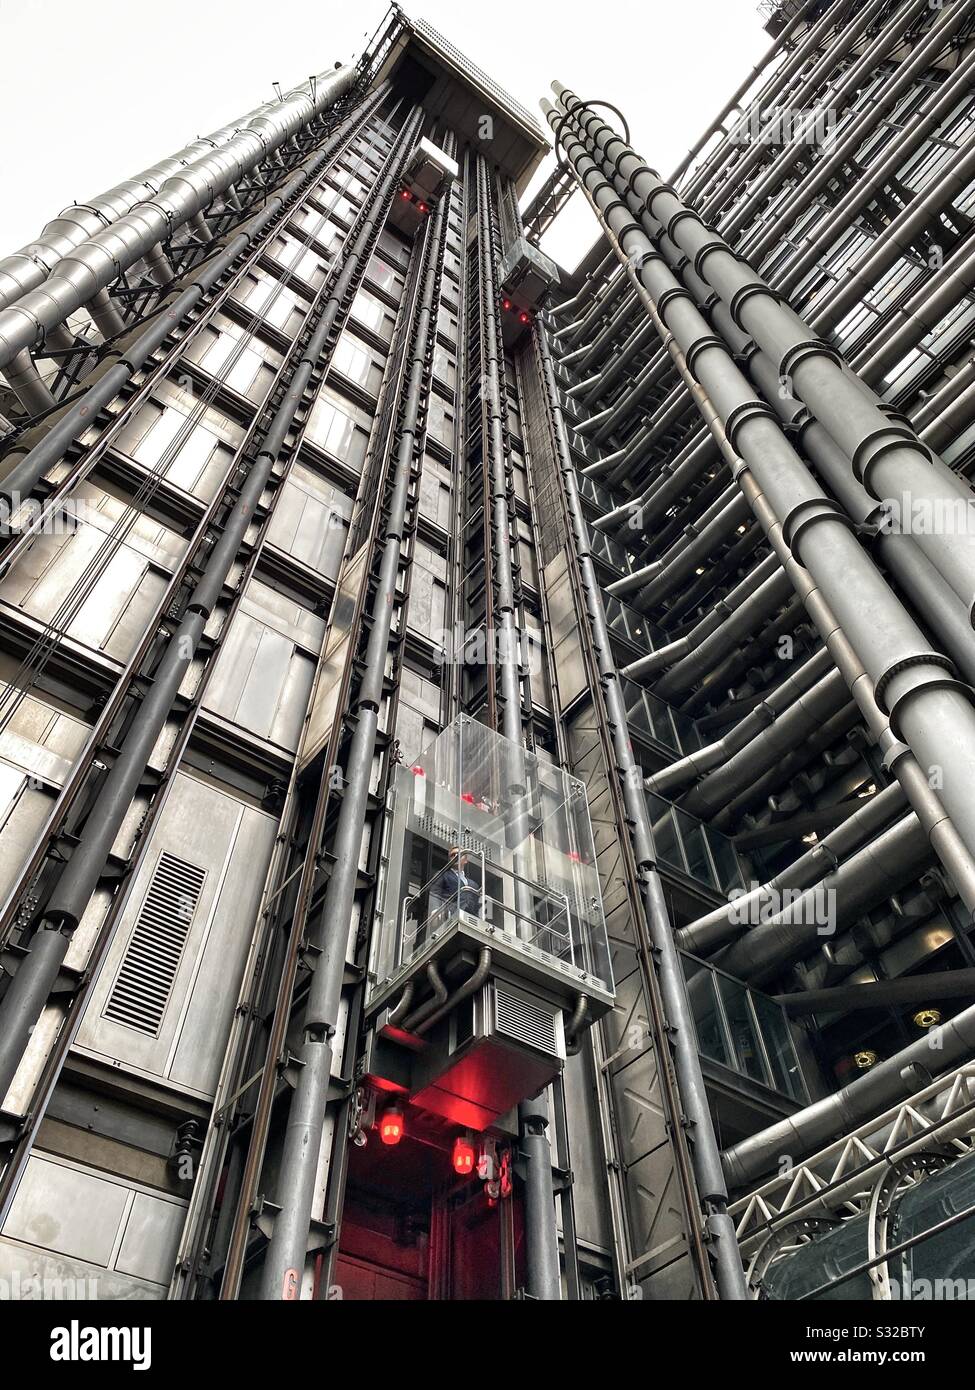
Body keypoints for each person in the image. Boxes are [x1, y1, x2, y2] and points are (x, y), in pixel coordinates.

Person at [438, 847, 481, 916]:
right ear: (450, 860)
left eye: (460, 854)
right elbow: (435, 893)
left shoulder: (474, 884)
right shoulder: (443, 875)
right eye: (453, 855)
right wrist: (435, 910)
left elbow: (477, 905)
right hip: (451, 915)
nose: (456, 856)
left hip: (471, 918)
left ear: (466, 860)